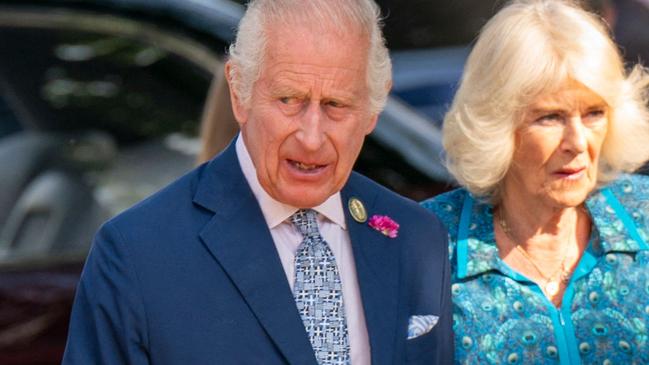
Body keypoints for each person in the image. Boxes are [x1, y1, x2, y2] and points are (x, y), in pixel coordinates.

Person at [62, 0, 453, 364]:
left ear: (373, 108)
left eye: (336, 105)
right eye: (288, 100)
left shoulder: (417, 237)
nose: (312, 137)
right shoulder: (136, 253)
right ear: (238, 92)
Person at [421, 0, 649, 363]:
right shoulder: (426, 246)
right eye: (550, 117)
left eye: (594, 113)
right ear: (497, 124)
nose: (577, 143)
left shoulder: (643, 218)